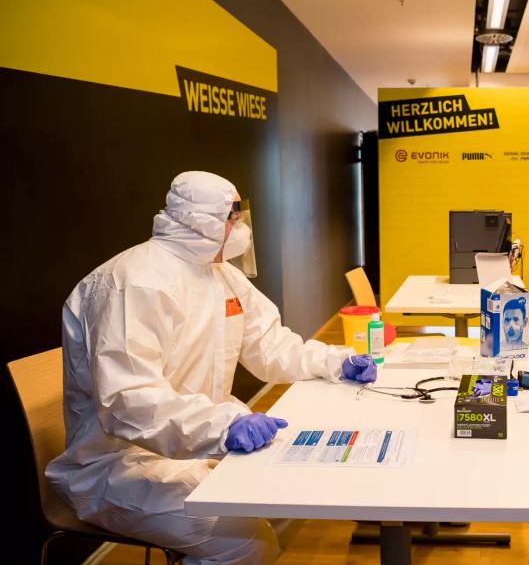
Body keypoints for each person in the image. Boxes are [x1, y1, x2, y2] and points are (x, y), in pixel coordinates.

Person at [46, 171, 377, 564]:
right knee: (245, 541)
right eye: (233, 218)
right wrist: (223, 426)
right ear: (203, 220)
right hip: (117, 466)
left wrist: (335, 361)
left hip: (194, 443)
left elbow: (271, 346)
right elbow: (128, 402)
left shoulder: (222, 276)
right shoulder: (132, 283)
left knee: (298, 478)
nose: (240, 229)